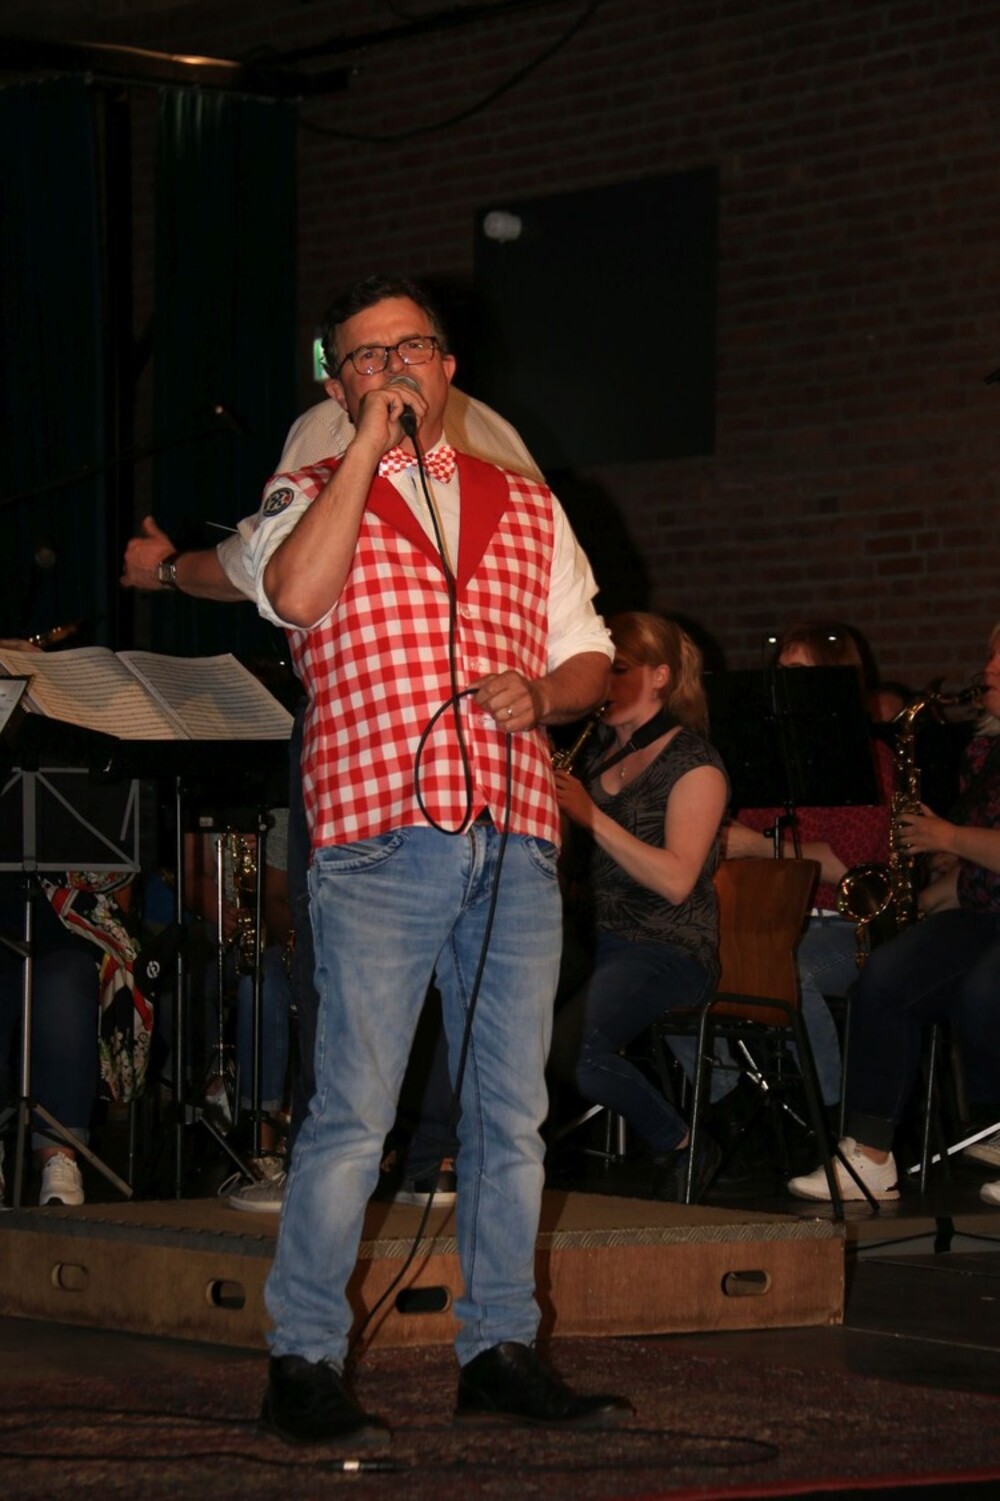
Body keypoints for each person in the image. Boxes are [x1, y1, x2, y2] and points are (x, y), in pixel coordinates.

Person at [243, 272, 626, 1446]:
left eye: (410, 349)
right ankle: (303, 1357)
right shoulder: (308, 492)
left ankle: (499, 1346)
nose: (392, 369)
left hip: (511, 835)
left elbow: (589, 653)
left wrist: (543, 694)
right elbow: (294, 595)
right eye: (364, 357)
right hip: (377, 839)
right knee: (354, 1115)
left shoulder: (526, 500)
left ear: (448, 365)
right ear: (337, 384)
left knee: (510, 1116)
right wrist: (363, 450)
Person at [121, 380, 543, 1216]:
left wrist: (165, 570)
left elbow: (266, 570)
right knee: (475, 962)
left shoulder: (333, 422)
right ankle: (438, 1158)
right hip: (489, 744)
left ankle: (327, 1165)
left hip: (370, 737)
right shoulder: (497, 432)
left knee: (338, 958)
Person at [788, 624, 1000, 1203]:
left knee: (985, 991)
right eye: (989, 655)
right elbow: (980, 872)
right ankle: (870, 1157)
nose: (987, 669)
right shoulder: (983, 749)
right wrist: (921, 901)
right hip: (980, 913)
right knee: (885, 976)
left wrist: (947, 836)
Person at [548, 612, 729, 1201]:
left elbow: (676, 881)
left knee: (573, 1050)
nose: (604, 684)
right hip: (593, 938)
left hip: (668, 947)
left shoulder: (695, 763)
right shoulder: (596, 756)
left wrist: (590, 816)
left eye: (618, 670)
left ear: (660, 676)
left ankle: (683, 1140)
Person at [723, 621, 894, 1111]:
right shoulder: (763, 755)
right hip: (766, 919)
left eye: (798, 671)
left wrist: (755, 845)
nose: (782, 682)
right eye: (779, 670)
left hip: (841, 927)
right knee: (676, 961)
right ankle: (722, 1102)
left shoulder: (869, 757)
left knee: (793, 974)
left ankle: (835, 1114)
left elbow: (845, 866)